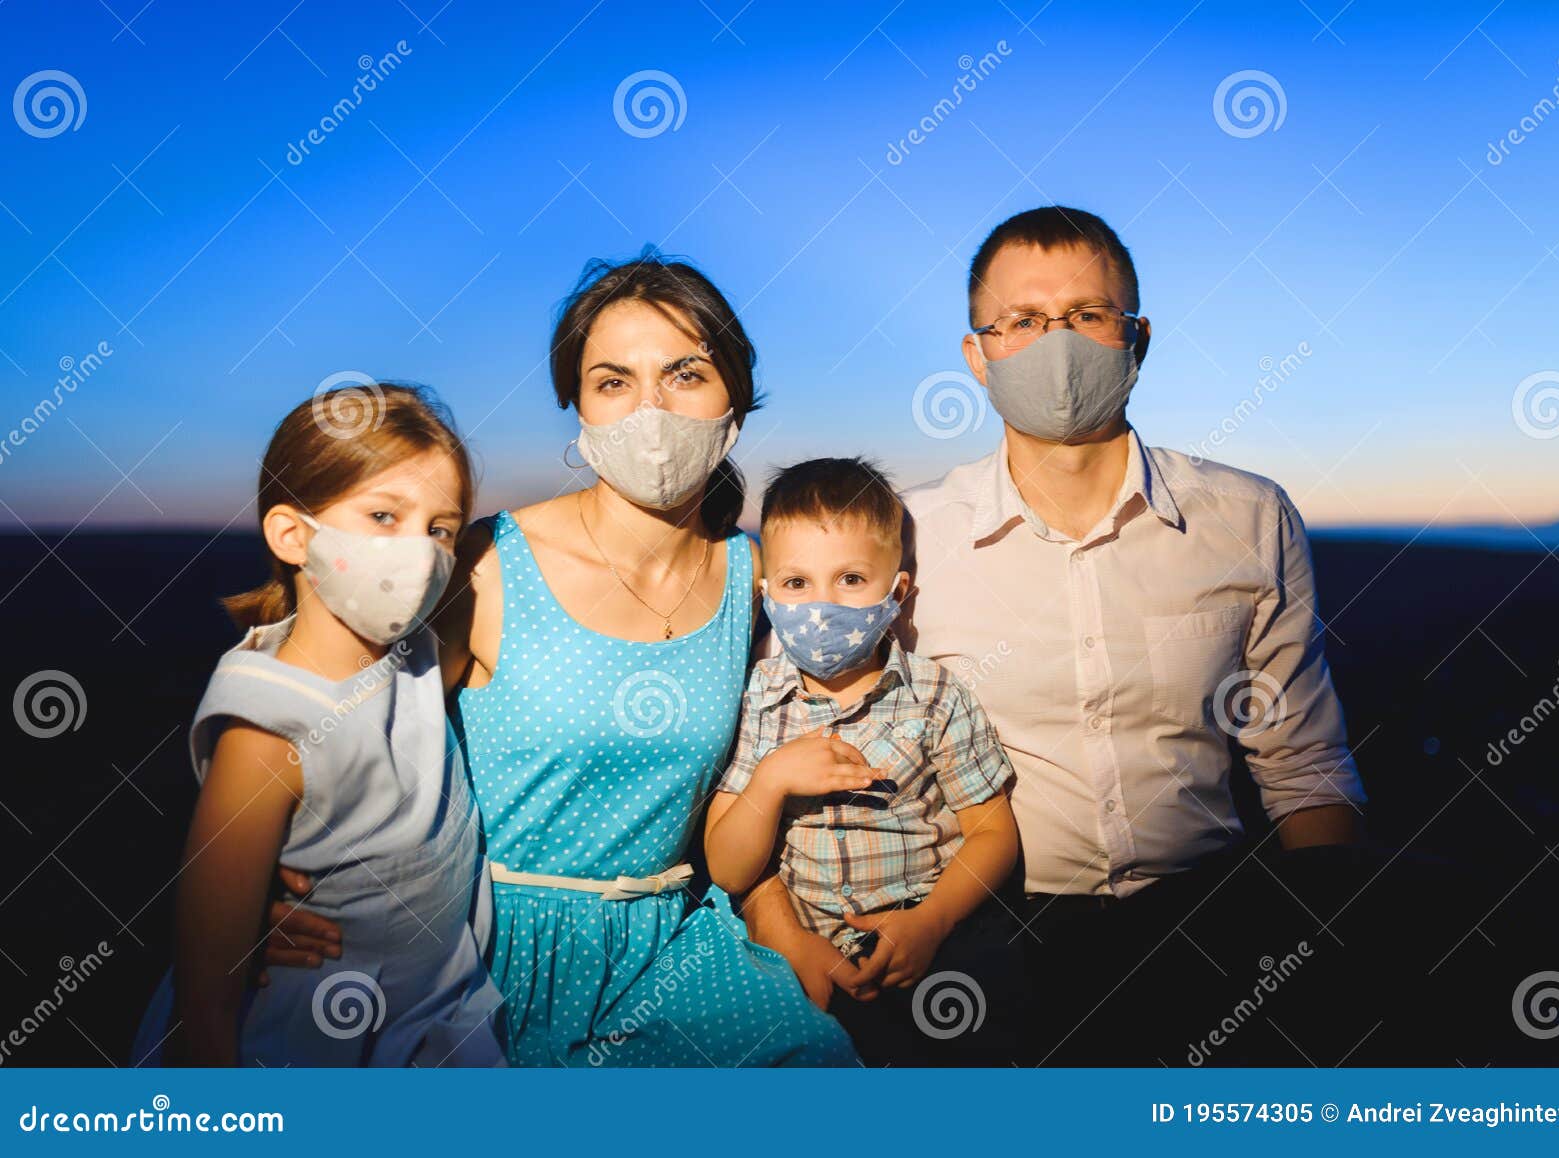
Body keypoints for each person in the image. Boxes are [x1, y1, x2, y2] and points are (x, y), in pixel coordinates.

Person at [742, 206, 1375, 1066]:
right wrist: (787, 937)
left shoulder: (1249, 518)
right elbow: (785, 733)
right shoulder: (904, 540)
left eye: (1086, 316)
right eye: (1022, 322)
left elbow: (1303, 761)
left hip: (1215, 917)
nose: (1057, 345)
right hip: (992, 938)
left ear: (1136, 339)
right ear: (977, 355)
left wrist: (1324, 930)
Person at [260, 256, 856, 1067]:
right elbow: (318, 707)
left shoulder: (758, 578)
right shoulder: (483, 565)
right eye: (613, 381)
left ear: (736, 403)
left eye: (686, 373)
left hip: (672, 953)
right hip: (480, 961)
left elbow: (756, 776)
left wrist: (779, 920)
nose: (651, 410)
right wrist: (261, 884)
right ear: (576, 407)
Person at [133, 384, 504, 1067]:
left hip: (433, 1027)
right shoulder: (268, 730)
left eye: (441, 528)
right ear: (292, 535)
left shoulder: (418, 655)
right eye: (384, 515)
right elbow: (207, 980)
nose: (420, 552)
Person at [706, 457, 1021, 1065]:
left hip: (935, 937)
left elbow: (991, 832)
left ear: (897, 592)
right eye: (797, 584)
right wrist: (769, 782)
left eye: (850, 579)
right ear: (767, 593)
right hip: (799, 951)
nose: (821, 605)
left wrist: (931, 923)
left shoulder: (935, 696)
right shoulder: (755, 700)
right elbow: (728, 867)